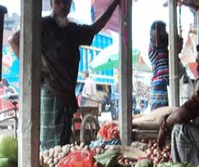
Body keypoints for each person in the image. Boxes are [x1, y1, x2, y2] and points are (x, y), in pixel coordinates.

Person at [10, 0, 121, 149]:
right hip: (51, 91)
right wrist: (36, 68)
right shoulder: (42, 25)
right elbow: (13, 41)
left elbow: (93, 29)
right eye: (58, 2)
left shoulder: (72, 30)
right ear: (51, 3)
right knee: (51, 146)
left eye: (67, 2)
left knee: (62, 145)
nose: (63, 6)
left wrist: (112, 6)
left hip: (66, 95)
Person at [148, 21, 170, 110]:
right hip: (159, 84)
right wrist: (157, 29)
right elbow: (155, 38)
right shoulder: (154, 48)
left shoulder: (164, 47)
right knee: (159, 114)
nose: (165, 33)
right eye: (163, 30)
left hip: (166, 84)